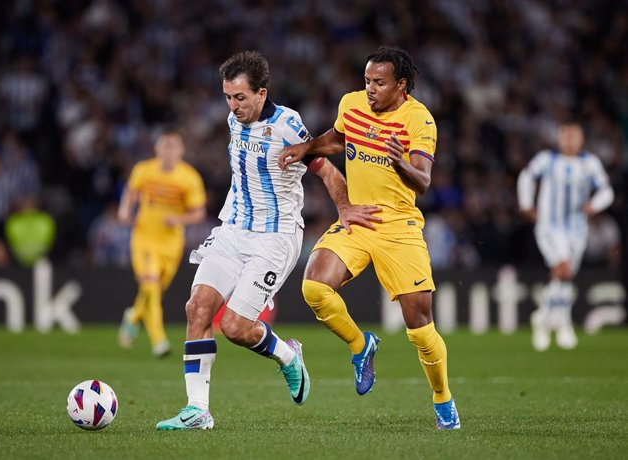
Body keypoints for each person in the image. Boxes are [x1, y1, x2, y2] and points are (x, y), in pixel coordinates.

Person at [156, 50, 379, 431]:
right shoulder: (233, 119)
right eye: (227, 97)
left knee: (237, 328)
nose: (233, 105)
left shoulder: (288, 125)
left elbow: (325, 168)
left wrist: (344, 208)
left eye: (240, 97)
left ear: (262, 93)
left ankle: (288, 357)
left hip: (274, 237)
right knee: (198, 309)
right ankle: (198, 410)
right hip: (232, 230)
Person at [278, 46, 460, 430]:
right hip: (359, 219)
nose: (370, 89)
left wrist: (400, 163)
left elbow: (423, 181)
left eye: (379, 82)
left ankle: (442, 397)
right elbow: (335, 139)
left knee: (420, 327)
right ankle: (362, 346)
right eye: (367, 81)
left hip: (398, 226)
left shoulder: (419, 119)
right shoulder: (352, 103)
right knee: (314, 287)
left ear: (401, 85)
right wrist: (305, 148)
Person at [517, 120, 614, 351]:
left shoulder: (589, 163)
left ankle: (544, 318)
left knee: (565, 276)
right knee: (563, 268)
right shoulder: (547, 160)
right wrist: (527, 204)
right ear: (559, 138)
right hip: (549, 226)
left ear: (581, 138)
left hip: (577, 228)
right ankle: (563, 322)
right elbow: (526, 176)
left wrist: (595, 205)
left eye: (574, 136)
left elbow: (607, 190)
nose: (570, 140)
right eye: (566, 135)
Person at [117, 127, 207, 357]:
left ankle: (134, 315)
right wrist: (125, 210)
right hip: (144, 237)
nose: (168, 151)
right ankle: (159, 341)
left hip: (171, 242)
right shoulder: (143, 170)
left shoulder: (189, 177)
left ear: (181, 150)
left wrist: (178, 218)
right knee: (151, 285)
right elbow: (131, 192)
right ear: (157, 149)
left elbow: (198, 213)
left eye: (173, 146)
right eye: (164, 146)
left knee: (155, 288)